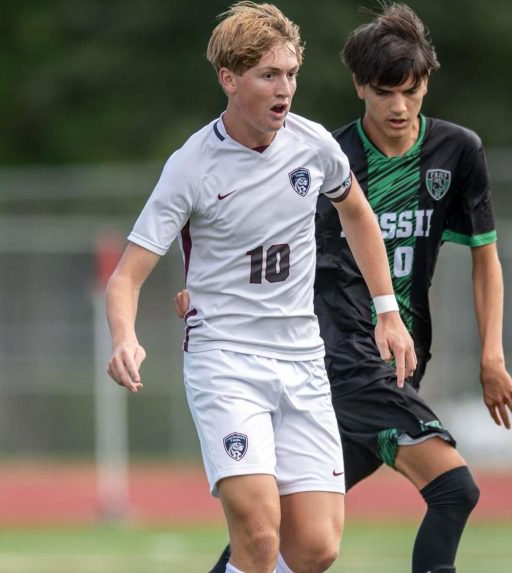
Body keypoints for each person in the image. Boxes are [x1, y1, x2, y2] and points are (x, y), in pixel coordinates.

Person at [185, 4, 512, 572]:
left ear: (427, 83)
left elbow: (484, 257)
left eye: (411, 91)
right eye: (384, 92)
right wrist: (202, 292)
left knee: (292, 535)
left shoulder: (457, 152)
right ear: (359, 87)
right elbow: (255, 241)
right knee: (454, 489)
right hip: (338, 356)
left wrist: (491, 356)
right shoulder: (325, 158)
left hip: (400, 359)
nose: (399, 107)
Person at [104, 3, 415, 573]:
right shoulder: (191, 166)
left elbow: (357, 213)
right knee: (259, 534)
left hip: (302, 359)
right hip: (226, 362)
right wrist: (125, 337)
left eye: (291, 73)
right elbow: (126, 276)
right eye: (269, 75)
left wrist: (387, 310)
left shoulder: (313, 145)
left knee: (316, 548)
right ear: (229, 79)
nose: (285, 88)